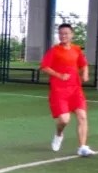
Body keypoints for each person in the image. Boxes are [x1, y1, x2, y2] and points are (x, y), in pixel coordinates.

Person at [40, 23, 94, 156]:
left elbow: (84, 64)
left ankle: (82, 147)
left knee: (82, 116)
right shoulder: (54, 50)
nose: (63, 36)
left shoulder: (76, 49)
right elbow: (44, 67)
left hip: (75, 89)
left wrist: (85, 73)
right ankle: (59, 134)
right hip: (59, 91)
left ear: (72, 35)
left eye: (66, 33)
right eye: (61, 33)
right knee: (64, 120)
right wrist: (59, 75)